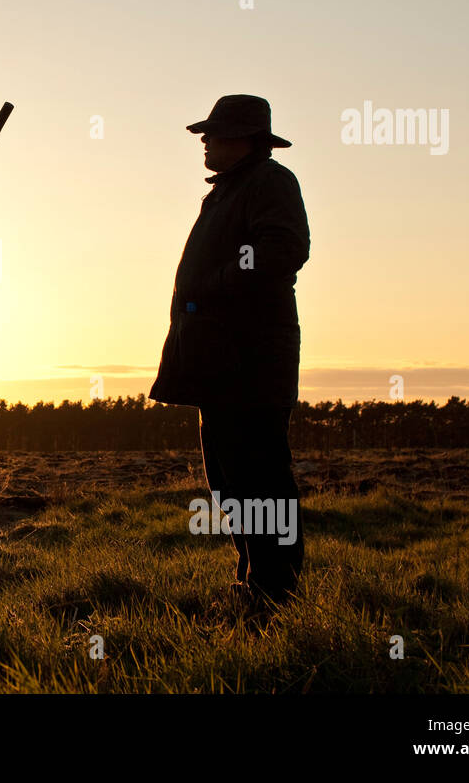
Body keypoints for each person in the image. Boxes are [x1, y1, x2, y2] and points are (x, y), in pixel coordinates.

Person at [149, 94, 310, 611]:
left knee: (259, 475)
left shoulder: (269, 182)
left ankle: (277, 590)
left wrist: (215, 285)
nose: (204, 140)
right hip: (220, 360)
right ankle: (255, 581)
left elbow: (285, 249)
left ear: (242, 138)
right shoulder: (229, 191)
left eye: (213, 133)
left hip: (251, 361)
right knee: (229, 477)